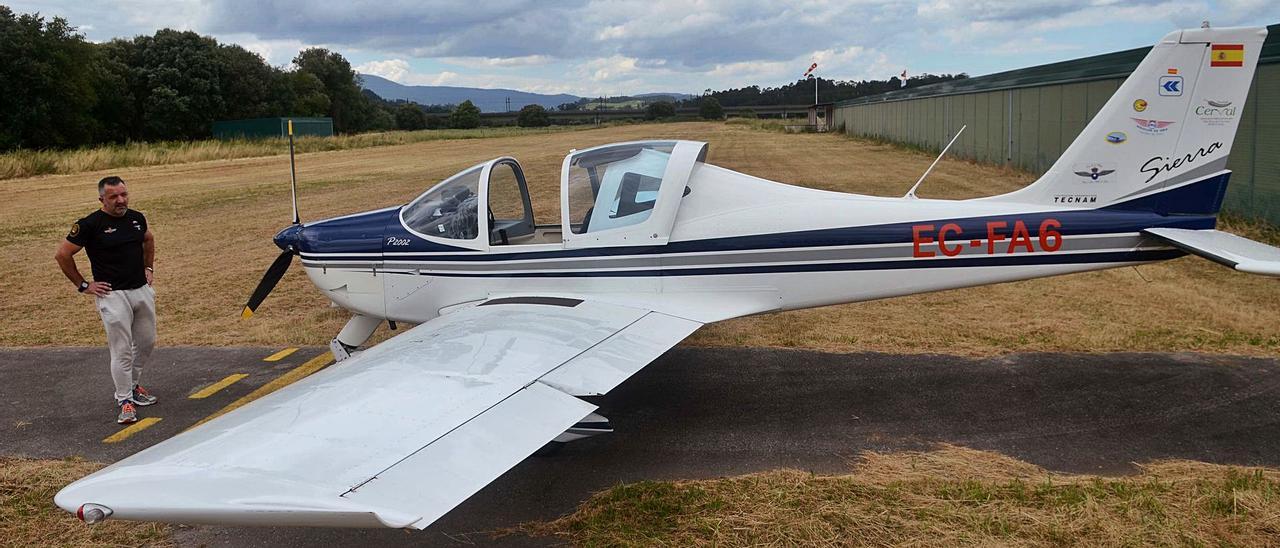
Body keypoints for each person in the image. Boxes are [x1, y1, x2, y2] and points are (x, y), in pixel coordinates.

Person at [55, 176, 158, 425]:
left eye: (124, 194)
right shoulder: (90, 224)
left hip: (141, 289)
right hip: (112, 296)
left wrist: (149, 267)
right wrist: (83, 285)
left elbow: (148, 239)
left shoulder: (136, 218)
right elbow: (62, 254)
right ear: (102, 199)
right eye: (114, 197)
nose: (121, 200)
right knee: (121, 350)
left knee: (146, 342)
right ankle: (124, 400)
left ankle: (133, 387)